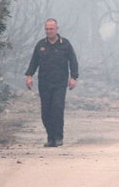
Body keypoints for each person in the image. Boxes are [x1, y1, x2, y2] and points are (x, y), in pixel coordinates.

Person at [25, 18, 79, 147]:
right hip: (44, 83)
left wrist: (73, 78)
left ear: (57, 29)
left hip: (60, 83)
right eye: (47, 29)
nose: (49, 31)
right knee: (46, 112)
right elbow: (34, 62)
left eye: (51, 29)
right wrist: (29, 76)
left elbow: (73, 61)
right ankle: (50, 137)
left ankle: (58, 137)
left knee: (57, 109)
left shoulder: (65, 44)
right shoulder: (41, 45)